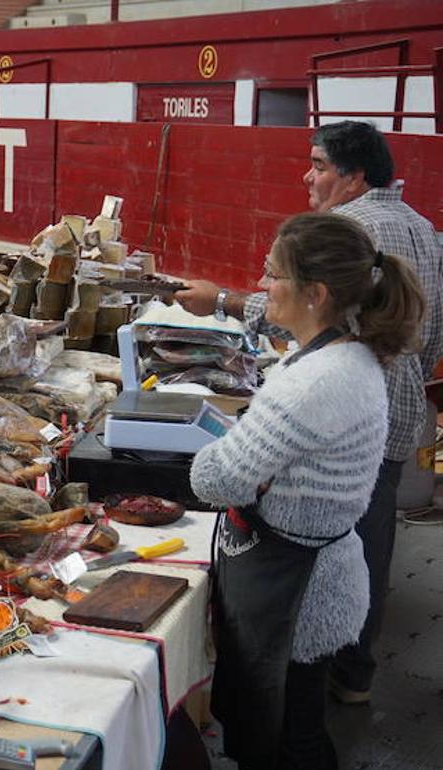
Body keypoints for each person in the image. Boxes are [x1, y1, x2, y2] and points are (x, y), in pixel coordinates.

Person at [176, 121, 443, 704]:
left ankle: (320, 671)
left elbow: (297, 312)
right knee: (365, 543)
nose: (308, 175)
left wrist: (221, 300)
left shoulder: (346, 233)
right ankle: (351, 672)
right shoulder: (422, 226)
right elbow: (433, 329)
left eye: (320, 164)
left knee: (330, 543)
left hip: (342, 427)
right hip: (390, 415)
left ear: (354, 178)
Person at [191, 212, 424, 770]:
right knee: (295, 725)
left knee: (285, 743)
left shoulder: (314, 382)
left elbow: (212, 479)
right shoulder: (347, 353)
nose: (264, 285)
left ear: (315, 293)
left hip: (296, 592)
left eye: (273, 274)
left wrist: (240, 456)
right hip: (317, 574)